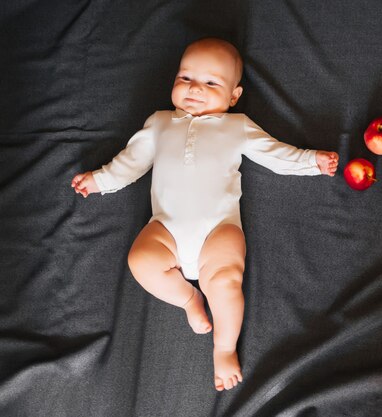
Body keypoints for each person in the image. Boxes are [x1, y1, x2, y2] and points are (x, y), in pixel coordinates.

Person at [70, 38, 339, 391]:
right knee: (140, 261)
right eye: (185, 78)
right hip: (165, 228)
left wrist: (312, 161)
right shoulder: (160, 123)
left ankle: (224, 349)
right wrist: (100, 180)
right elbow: (130, 162)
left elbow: (275, 154)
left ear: (233, 96)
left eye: (211, 83)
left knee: (226, 282)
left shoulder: (236, 127)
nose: (195, 88)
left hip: (219, 230)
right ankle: (188, 298)